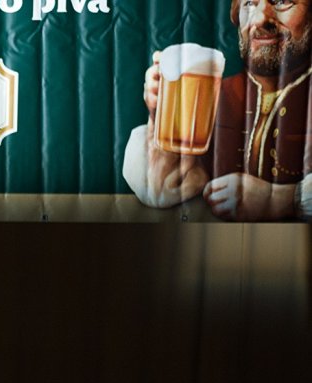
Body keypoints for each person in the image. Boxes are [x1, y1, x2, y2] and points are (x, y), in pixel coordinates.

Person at [123, 0, 312, 220]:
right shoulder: (216, 96)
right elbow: (159, 191)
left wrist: (285, 199)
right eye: (249, 3)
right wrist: (162, 119)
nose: (260, 18)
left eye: (282, 2)